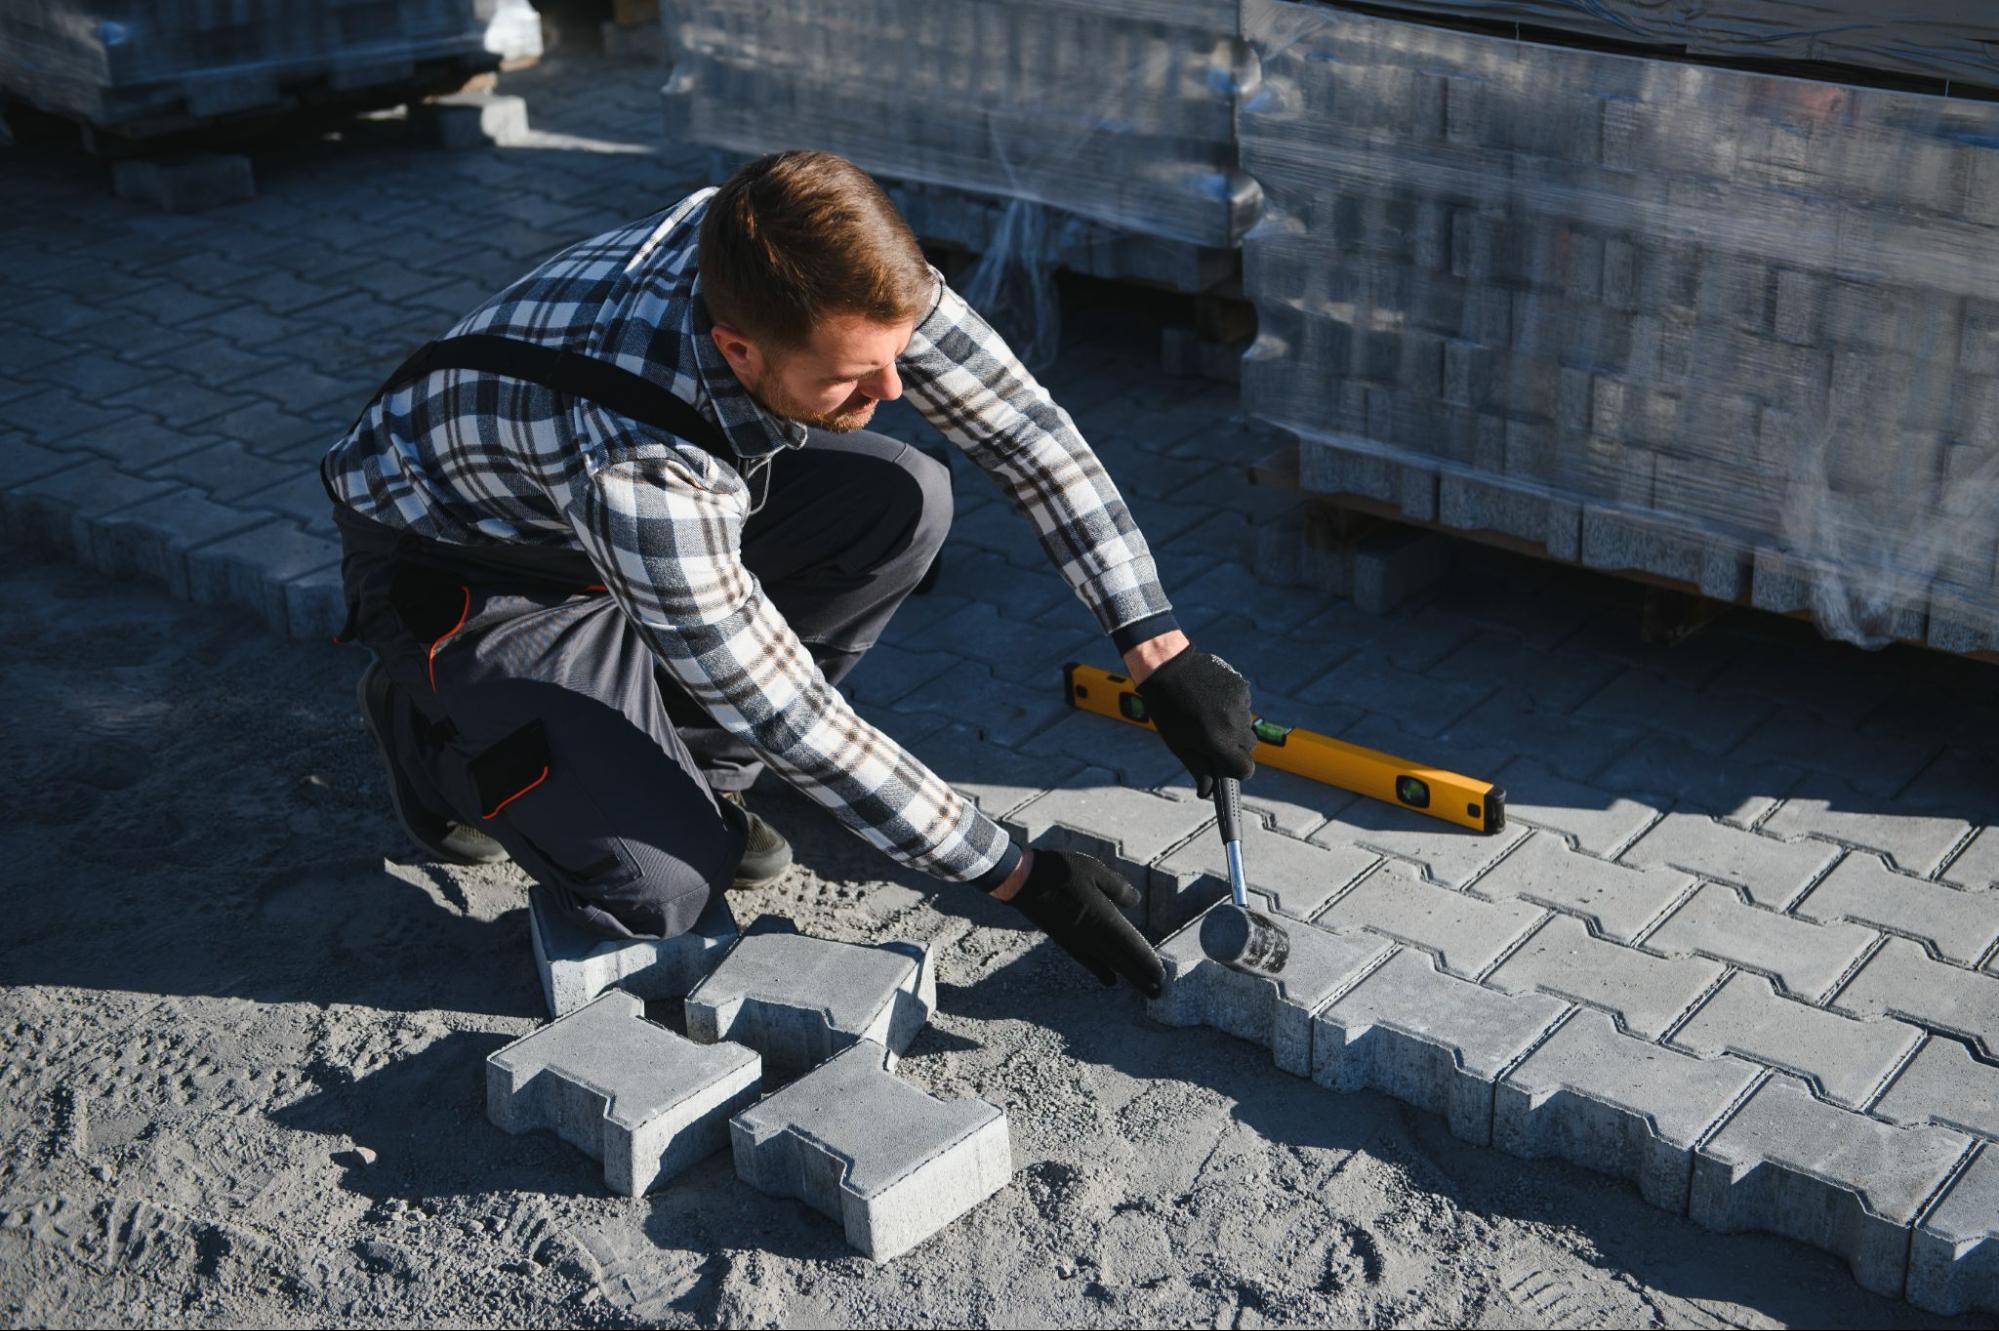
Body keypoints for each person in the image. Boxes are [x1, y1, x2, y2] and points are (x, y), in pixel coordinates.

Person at [321, 149, 1255, 998]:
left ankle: (691, 773)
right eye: (853, 376)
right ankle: (425, 725)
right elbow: (792, 714)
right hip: (473, 568)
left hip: (607, 522)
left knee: (902, 497)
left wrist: (1155, 647)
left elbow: (1025, 434)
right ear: (739, 349)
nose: (894, 391)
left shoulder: (810, 258)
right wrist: (1017, 873)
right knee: (664, 888)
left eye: (897, 356)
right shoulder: (641, 468)